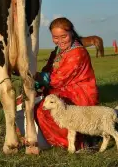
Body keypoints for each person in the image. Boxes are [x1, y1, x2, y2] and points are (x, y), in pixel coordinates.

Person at [16, 17, 99, 151]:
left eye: (63, 36)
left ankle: (77, 141)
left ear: (72, 32)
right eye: (55, 37)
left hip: (79, 93)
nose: (60, 41)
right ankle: (29, 137)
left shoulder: (78, 52)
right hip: (59, 88)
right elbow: (48, 69)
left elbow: (57, 79)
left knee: (45, 108)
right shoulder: (58, 51)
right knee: (23, 100)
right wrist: (36, 81)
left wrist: (35, 76)